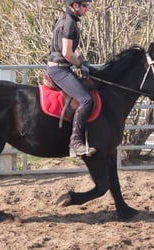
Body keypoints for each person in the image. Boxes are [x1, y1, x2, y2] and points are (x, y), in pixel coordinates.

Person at [47, 0, 96, 157]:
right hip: (59, 69)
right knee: (87, 100)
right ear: (75, 6)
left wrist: (81, 59)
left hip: (60, 67)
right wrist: (80, 65)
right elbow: (67, 53)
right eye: (85, 5)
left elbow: (71, 49)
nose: (87, 9)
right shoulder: (69, 24)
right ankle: (75, 143)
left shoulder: (64, 20)